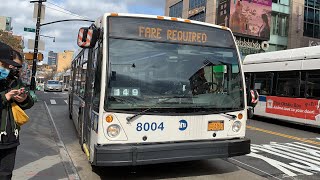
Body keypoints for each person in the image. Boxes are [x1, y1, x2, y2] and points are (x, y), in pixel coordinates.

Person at [0, 42, 34, 180]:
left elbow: (29, 102)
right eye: (6, 65)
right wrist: (5, 96)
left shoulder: (14, 80)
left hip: (10, 138)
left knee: (5, 175)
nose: (10, 68)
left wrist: (23, 99)